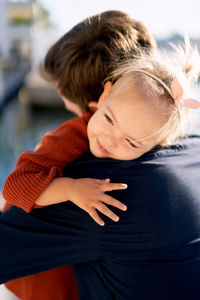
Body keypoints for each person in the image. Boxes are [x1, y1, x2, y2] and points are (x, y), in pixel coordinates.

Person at [1, 43, 200, 299]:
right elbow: (14, 186)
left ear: (156, 146)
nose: (110, 139)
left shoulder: (116, 187)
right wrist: (70, 189)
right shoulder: (70, 139)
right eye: (108, 119)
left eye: (130, 142)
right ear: (104, 96)